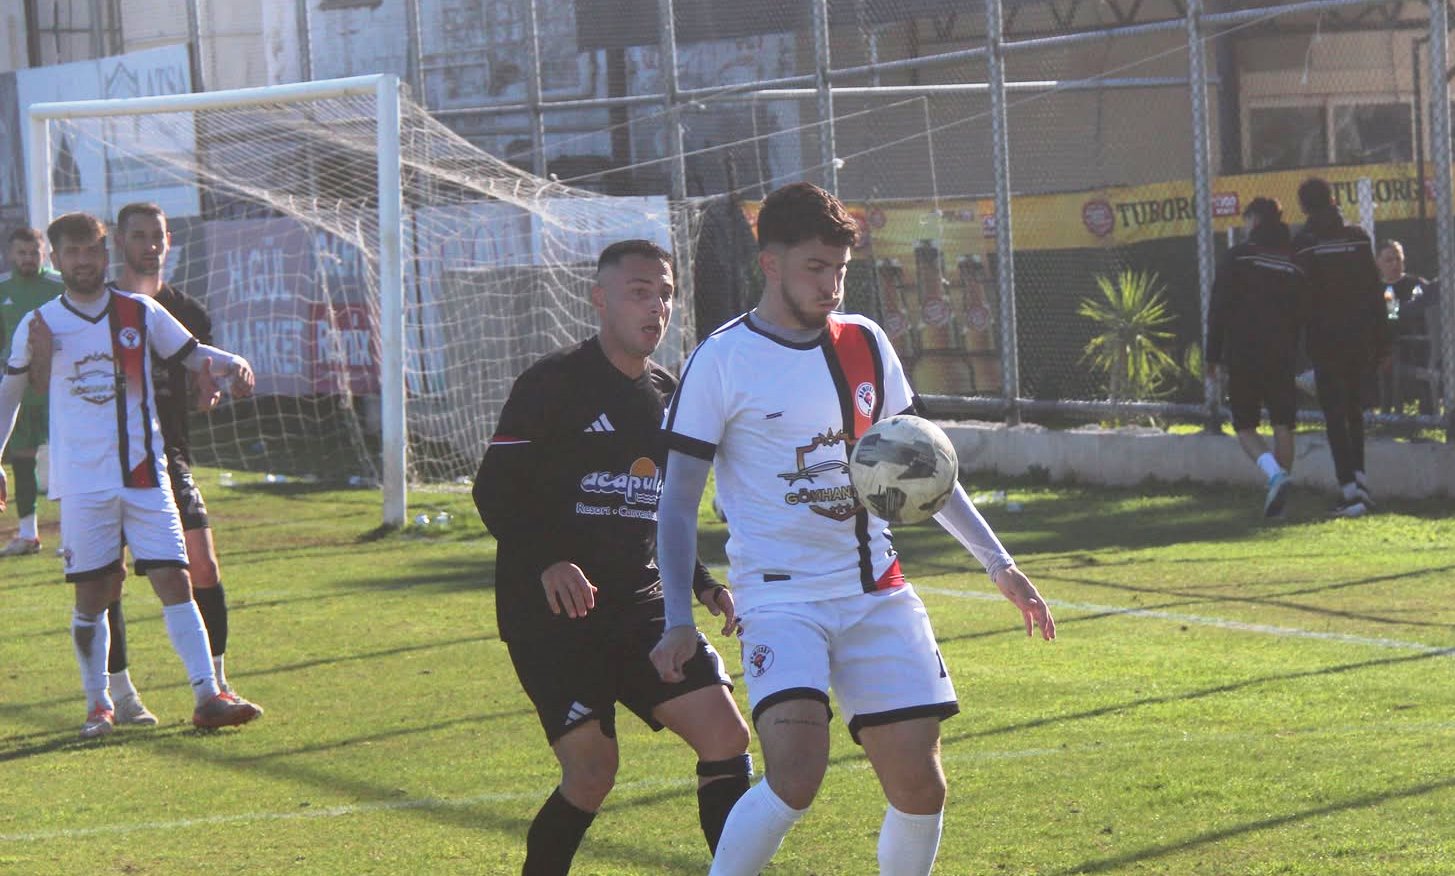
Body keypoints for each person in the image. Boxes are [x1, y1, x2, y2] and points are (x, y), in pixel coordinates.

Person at [650, 182, 1056, 876]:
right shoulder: (721, 358)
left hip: (876, 591)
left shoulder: (865, 340)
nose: (831, 285)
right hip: (779, 598)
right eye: (815, 267)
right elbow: (678, 499)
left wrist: (1000, 564)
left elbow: (924, 467)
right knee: (794, 774)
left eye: (840, 269)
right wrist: (677, 617)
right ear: (769, 262)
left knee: (920, 786)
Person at [472, 239, 752, 874]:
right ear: (600, 299)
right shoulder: (551, 383)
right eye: (639, 292)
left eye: (665, 294)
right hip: (553, 614)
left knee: (725, 735)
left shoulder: (670, 395)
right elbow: (493, 490)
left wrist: (703, 583)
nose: (656, 307)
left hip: (642, 606)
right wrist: (549, 560)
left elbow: (663, 511)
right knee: (593, 771)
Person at [0, 211, 262, 738]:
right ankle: (99, 703)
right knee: (93, 593)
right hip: (82, 482)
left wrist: (230, 362)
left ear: (105, 254)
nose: (82, 261)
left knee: (175, 578)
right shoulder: (40, 324)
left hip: (145, 473)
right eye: (72, 252)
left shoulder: (139, 311)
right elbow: (9, 395)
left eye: (91, 251)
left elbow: (192, 354)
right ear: (57, 259)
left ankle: (207, 695)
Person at [86, 202, 260, 726]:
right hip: (107, 458)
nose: (150, 245)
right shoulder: (101, 308)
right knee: (108, 577)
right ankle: (120, 693)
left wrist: (210, 392)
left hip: (168, 454)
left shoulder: (189, 312)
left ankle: (217, 682)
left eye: (157, 235)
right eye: (139, 235)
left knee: (202, 564)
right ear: (120, 242)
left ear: (168, 241)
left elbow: (197, 383)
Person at [1292, 178, 1388, 517]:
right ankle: (1360, 482)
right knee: (1354, 410)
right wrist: (1382, 341)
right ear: (1333, 199)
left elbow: (1299, 296)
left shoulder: (1304, 244)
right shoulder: (1357, 238)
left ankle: (1348, 490)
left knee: (1334, 415)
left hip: (1324, 339)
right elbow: (1375, 290)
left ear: (1303, 206)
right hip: (1359, 337)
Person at [1206, 197, 1308, 518]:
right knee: (1283, 423)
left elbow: (1219, 307)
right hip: (1282, 353)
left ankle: (1275, 476)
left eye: (1247, 219)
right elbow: (1302, 312)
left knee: (1245, 425)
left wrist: (1212, 354)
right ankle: (1280, 503)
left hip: (1244, 351)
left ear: (1255, 220)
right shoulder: (1293, 262)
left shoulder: (1239, 256)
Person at [0, 227, 63, 556]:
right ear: (11, 254)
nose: (27, 259)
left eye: (33, 253)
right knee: (22, 460)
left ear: (44, 254)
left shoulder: (59, 285)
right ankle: (28, 534)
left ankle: (72, 532)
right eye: (21, 253)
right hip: (19, 389)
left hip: (58, 386)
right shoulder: (2, 288)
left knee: (67, 458)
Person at [1375, 239, 1434, 414]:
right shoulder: (1376, 289)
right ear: (1378, 263)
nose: (1395, 264)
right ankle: (1382, 411)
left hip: (1415, 346)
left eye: (1398, 259)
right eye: (1389, 260)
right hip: (1382, 344)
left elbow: (1407, 316)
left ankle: (1425, 410)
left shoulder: (1416, 285)